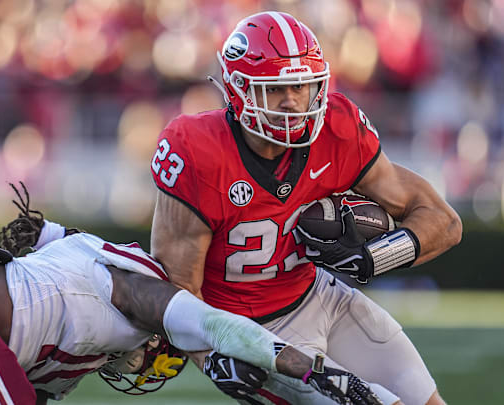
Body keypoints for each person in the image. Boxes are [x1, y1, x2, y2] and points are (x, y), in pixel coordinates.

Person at [149, 11, 462, 405]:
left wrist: (373, 258)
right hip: (256, 334)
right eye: (276, 90)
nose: (294, 102)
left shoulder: (338, 127)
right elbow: (175, 292)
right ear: (239, 89)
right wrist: (213, 355)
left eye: (302, 86)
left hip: (320, 296)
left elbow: (443, 221)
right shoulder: (196, 149)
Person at [0, 183, 382, 405]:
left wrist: (46, 232)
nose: (147, 365)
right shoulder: (138, 289)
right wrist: (320, 371)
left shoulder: (87, 295)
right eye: (163, 355)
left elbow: (54, 239)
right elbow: (227, 329)